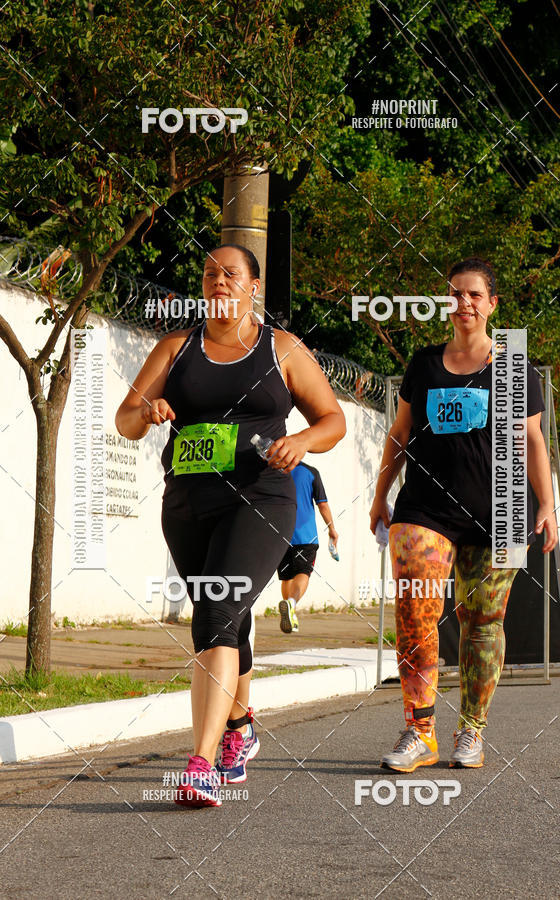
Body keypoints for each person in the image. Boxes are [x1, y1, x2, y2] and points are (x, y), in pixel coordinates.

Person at [115, 244, 345, 806]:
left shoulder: (281, 348)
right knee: (223, 619)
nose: (219, 281)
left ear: (253, 287)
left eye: (231, 274)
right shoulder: (177, 346)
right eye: (210, 273)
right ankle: (239, 728)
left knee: (217, 611)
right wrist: (148, 412)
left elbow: (333, 419)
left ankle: (200, 765)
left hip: (261, 497)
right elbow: (125, 419)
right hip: (189, 500)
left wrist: (301, 442)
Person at [369, 257, 557, 772]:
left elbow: (532, 441)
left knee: (484, 625)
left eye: (475, 294)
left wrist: (547, 506)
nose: (465, 302)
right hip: (424, 509)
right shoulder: (424, 364)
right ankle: (419, 730)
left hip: (501, 509)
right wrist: (380, 492)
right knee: (415, 611)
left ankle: (471, 731)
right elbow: (400, 435)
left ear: (492, 304)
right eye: (455, 294)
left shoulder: (513, 365)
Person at [276, 462, 338, 633]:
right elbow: (322, 504)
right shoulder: (311, 472)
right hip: (306, 536)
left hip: (281, 534)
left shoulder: (275, 470)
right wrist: (332, 529)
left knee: (287, 576)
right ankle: (291, 604)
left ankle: (291, 613)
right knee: (303, 572)